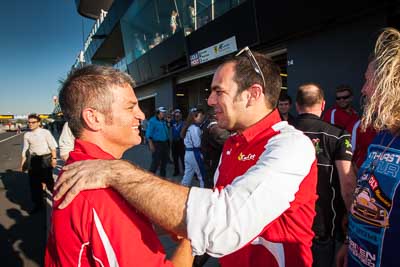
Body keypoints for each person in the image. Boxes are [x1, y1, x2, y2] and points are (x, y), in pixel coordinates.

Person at [54, 47, 318, 267]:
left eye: (218, 91)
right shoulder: (232, 145)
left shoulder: (291, 146)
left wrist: (117, 171)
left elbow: (221, 226)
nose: (210, 100)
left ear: (253, 94)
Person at [45, 65, 193, 267]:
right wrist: (192, 238)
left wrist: (166, 222)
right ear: (94, 118)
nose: (141, 115)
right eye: (130, 107)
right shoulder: (99, 192)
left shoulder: (86, 168)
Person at [333, 27, 400, 267]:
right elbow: (364, 196)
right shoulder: (381, 137)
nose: (363, 90)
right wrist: (349, 242)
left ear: (391, 84)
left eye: (368, 81)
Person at [294, 83, 356, 267]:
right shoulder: (338, 135)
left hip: (286, 226)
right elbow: (348, 186)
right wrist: (354, 225)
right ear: (323, 105)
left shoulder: (278, 132)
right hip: (321, 227)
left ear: (297, 105)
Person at [20, 113, 57, 213]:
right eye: (29, 122)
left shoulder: (45, 132)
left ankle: (57, 200)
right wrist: (22, 163)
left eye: (33, 122)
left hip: (45, 159)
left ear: (38, 123)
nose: (30, 124)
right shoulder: (27, 135)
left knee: (48, 181)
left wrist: (54, 158)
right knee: (34, 184)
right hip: (33, 160)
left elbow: (52, 146)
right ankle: (38, 204)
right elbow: (25, 150)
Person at [200, 109, 230, 189]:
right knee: (211, 182)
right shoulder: (214, 126)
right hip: (212, 160)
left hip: (210, 158)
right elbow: (223, 137)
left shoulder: (208, 123)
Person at [180, 107, 206, 188]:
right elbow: (197, 144)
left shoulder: (187, 126)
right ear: (194, 117)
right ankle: (203, 194)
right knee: (202, 177)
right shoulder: (195, 128)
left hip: (188, 153)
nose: (201, 118)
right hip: (195, 153)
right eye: (200, 116)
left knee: (187, 175)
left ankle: (181, 191)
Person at [146, 106, 170, 177]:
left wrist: (168, 123)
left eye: (164, 112)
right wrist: (151, 145)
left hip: (165, 143)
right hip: (157, 144)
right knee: (156, 162)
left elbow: (166, 130)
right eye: (162, 112)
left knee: (164, 162)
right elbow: (148, 134)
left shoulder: (163, 120)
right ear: (158, 113)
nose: (164, 113)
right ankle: (150, 177)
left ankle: (163, 178)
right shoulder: (152, 121)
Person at [171, 109, 185, 176]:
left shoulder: (183, 123)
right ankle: (176, 171)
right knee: (175, 157)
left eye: (178, 115)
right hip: (174, 142)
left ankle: (185, 171)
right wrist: (172, 112)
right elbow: (167, 117)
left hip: (181, 142)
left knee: (183, 157)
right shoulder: (173, 122)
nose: (177, 117)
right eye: (176, 115)